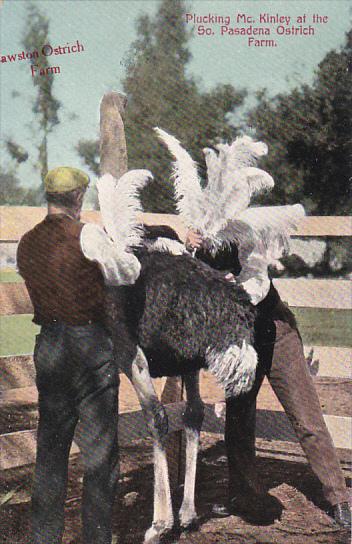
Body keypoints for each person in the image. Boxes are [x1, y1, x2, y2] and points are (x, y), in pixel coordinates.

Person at [17, 167, 141, 544]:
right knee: (100, 454)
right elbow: (127, 272)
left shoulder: (26, 242)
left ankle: (44, 538)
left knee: (51, 451)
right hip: (88, 344)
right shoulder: (87, 234)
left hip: (50, 345)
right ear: (76, 198)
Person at [193, 240, 351, 529]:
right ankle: (241, 495)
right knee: (238, 419)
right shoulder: (203, 260)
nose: (223, 277)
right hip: (240, 343)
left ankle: (339, 498)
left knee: (307, 418)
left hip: (277, 337)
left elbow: (253, 294)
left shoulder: (251, 257)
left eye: (227, 272)